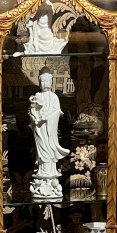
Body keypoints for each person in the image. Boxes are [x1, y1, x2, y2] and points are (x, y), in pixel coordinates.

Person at [29, 69, 69, 201]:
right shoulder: (37, 95)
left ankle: (50, 173)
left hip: (48, 129)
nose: (45, 83)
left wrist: (45, 117)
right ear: (39, 82)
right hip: (40, 130)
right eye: (43, 80)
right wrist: (34, 117)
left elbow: (57, 112)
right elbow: (31, 110)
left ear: (51, 82)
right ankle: (42, 171)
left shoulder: (54, 97)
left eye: (47, 80)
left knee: (49, 149)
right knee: (41, 149)